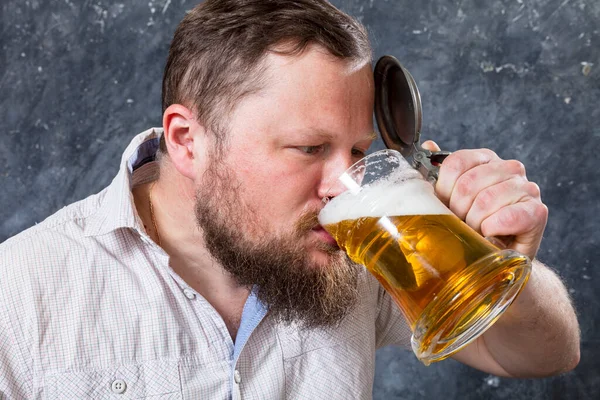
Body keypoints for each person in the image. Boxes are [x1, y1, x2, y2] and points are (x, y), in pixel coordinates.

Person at [0, 0, 580, 398]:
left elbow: (542, 356)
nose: (342, 185)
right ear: (187, 141)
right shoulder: (23, 289)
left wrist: (505, 268)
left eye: (357, 150)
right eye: (308, 148)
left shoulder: (360, 250)